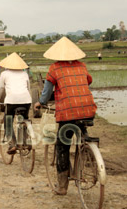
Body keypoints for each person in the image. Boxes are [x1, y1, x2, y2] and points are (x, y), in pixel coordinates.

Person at [34, 36, 97, 195]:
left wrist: (40, 103)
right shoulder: (82, 66)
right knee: (82, 134)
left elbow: (47, 92)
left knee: (62, 146)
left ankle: (62, 186)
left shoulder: (54, 69)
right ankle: (88, 152)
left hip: (68, 113)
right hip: (88, 110)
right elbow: (88, 81)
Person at [0, 52, 32, 154]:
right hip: (26, 100)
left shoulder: (4, 74)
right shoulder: (24, 74)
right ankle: (25, 139)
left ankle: (12, 144)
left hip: (12, 101)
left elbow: (0, 88)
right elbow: (28, 88)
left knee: (8, 121)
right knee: (24, 119)